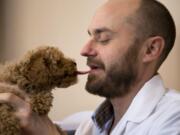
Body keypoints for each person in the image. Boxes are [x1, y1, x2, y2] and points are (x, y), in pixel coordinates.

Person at [0, 0, 179, 134]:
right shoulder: (85, 124)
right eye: (90, 36)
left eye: (103, 39)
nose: (84, 50)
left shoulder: (173, 117)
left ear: (151, 49)